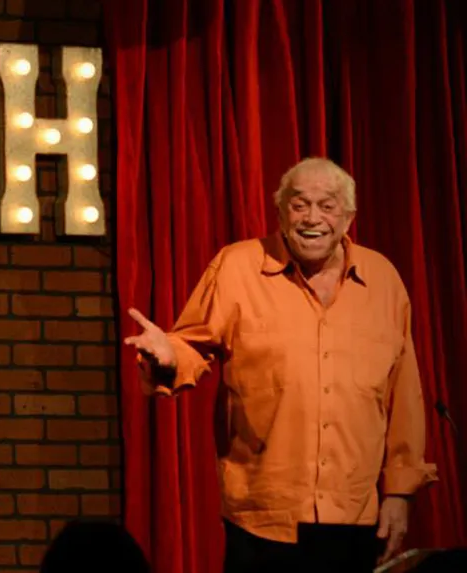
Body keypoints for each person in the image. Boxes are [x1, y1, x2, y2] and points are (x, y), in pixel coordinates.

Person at [124, 157, 437, 573]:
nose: (312, 218)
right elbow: (192, 345)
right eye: (299, 204)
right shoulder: (236, 266)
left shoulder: (384, 280)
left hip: (354, 517)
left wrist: (400, 493)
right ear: (280, 211)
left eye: (327, 206)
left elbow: (404, 394)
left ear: (348, 217)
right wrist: (168, 357)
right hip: (263, 518)